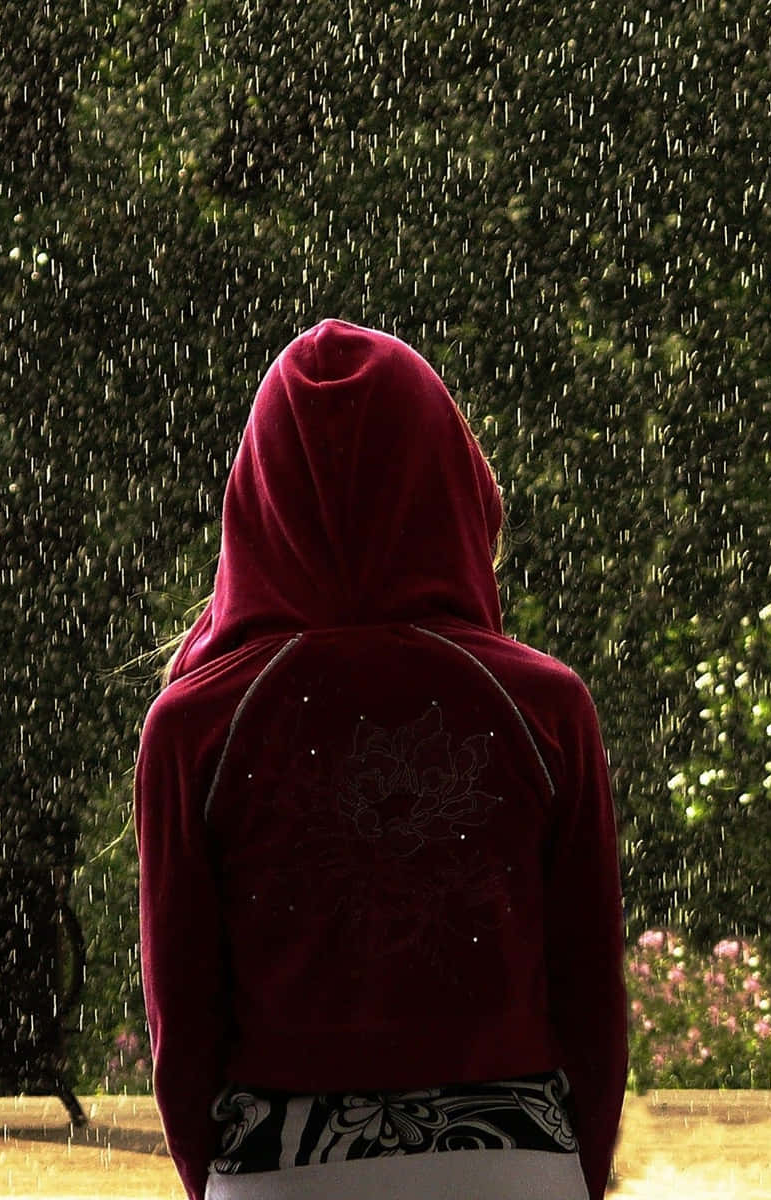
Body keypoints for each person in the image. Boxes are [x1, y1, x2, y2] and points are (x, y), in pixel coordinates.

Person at [135, 319, 628, 1200]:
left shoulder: (194, 726)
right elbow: (592, 1005)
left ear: (260, 494)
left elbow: (185, 1031)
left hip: (279, 1168)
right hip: (514, 1161)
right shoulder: (546, 707)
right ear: (450, 480)